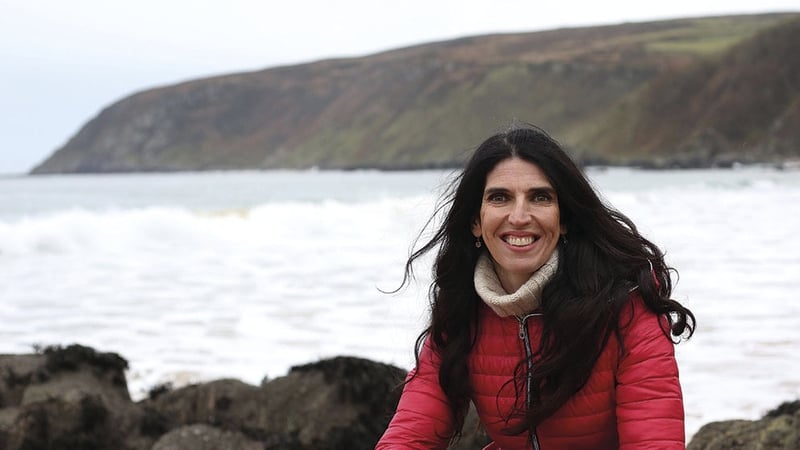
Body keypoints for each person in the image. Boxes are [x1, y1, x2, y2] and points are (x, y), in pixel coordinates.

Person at [375, 124, 695, 449]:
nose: (519, 216)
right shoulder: (461, 312)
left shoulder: (625, 305)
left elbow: (655, 442)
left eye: (540, 197)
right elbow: (409, 435)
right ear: (475, 221)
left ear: (563, 218)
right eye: (500, 198)